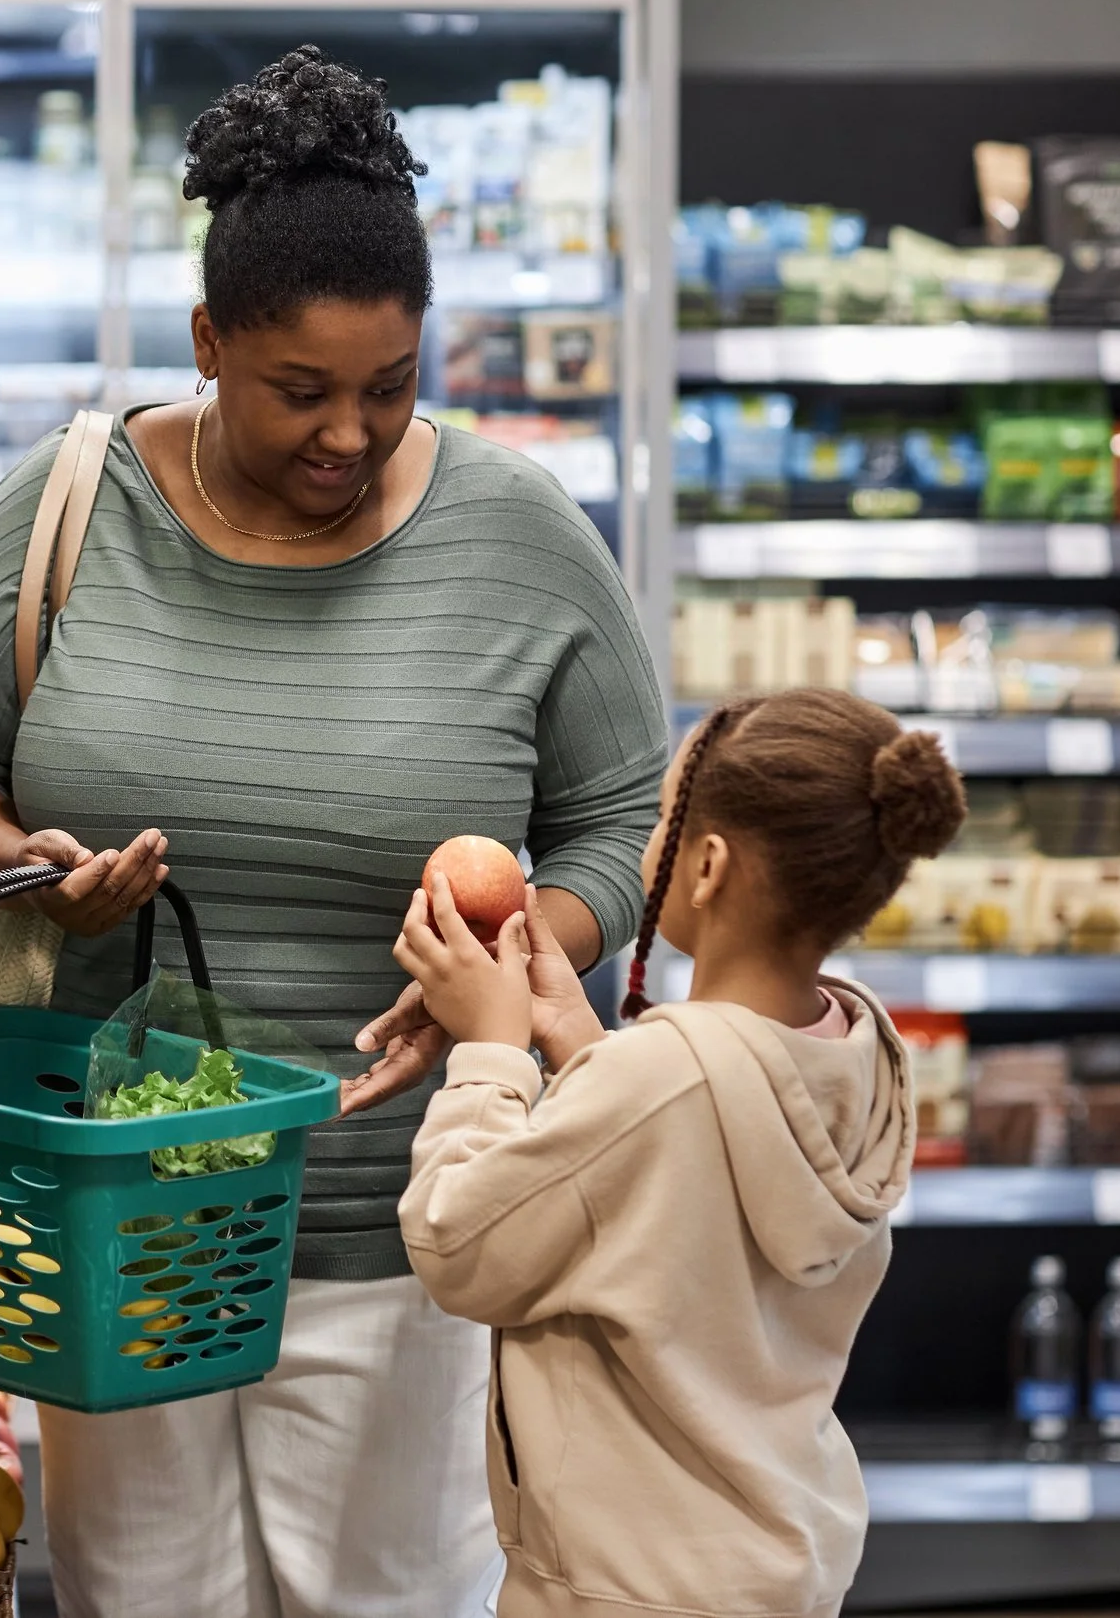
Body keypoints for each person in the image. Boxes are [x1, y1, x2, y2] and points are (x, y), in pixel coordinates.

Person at [0, 45, 664, 1618]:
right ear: (208, 343)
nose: (349, 434)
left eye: (390, 387)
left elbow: (623, 822)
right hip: (120, 1211)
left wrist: (509, 960)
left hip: (405, 1221)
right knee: (139, 1598)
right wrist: (33, 861)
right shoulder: (65, 506)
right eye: (300, 389)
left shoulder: (519, 535)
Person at [395, 687, 968, 1618]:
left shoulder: (660, 1078)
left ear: (707, 865)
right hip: (767, 1557)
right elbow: (694, 1155)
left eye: (663, 817)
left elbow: (457, 1244)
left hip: (624, 1581)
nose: (651, 839)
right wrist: (579, 1044)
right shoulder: (857, 1049)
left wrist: (491, 1053)